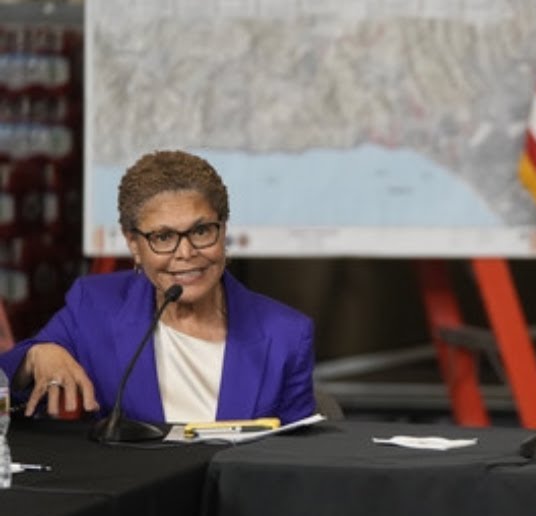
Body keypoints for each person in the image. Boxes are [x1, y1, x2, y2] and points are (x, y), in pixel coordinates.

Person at [0, 150, 316, 425]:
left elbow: (294, 462)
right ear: (134, 244)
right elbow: (8, 380)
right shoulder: (95, 305)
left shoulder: (287, 334)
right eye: (163, 237)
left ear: (223, 231)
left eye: (202, 230)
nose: (186, 252)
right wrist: (36, 356)